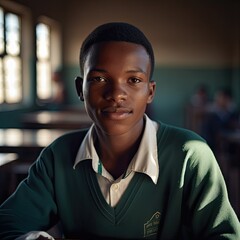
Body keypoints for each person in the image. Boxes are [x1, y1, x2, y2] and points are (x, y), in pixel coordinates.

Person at [0, 22, 239, 240]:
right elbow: (8, 224)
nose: (116, 94)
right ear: (79, 88)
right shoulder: (57, 156)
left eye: (133, 80)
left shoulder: (190, 156)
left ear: (150, 92)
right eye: (99, 79)